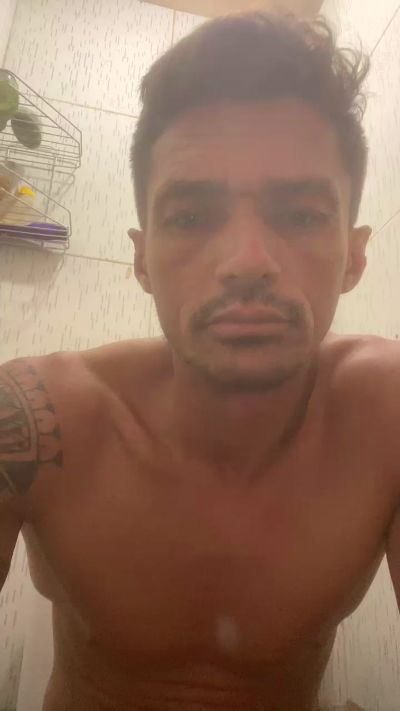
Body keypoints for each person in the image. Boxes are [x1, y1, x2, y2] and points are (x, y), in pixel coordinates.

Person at [0, 11, 398, 711]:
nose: (247, 262)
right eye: (190, 217)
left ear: (355, 256)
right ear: (142, 258)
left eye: (300, 215)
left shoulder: (385, 414)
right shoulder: (38, 417)